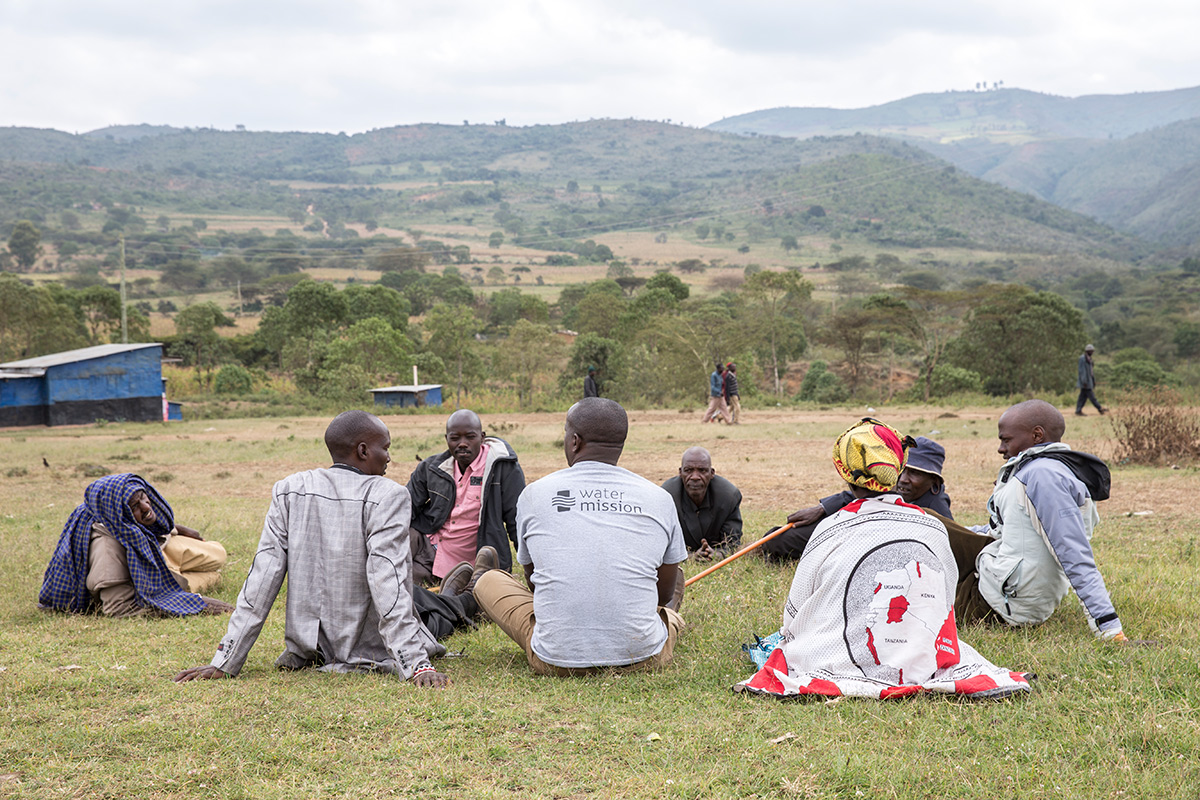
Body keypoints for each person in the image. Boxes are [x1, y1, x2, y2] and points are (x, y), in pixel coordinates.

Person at [173, 411, 482, 688]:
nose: (388, 458)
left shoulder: (289, 488)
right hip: (377, 641)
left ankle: (459, 593)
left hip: (313, 648)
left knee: (424, 601)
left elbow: (262, 578)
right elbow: (387, 581)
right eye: (385, 448)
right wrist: (416, 665)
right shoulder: (388, 494)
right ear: (363, 451)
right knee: (435, 615)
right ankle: (469, 597)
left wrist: (226, 661)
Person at [734, 418, 1029, 699]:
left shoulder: (830, 528)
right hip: (923, 656)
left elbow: (795, 612)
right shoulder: (934, 527)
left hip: (834, 658)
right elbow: (944, 601)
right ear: (898, 469)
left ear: (844, 472)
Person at [472, 398, 686, 675]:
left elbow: (534, 581)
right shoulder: (659, 498)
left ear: (574, 441)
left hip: (554, 660)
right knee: (671, 598)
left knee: (488, 580)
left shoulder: (535, 494)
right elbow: (664, 594)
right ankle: (667, 620)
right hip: (644, 658)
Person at [948, 399, 1128, 641]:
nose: (1001, 448)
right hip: (1007, 585)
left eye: (1006, 440)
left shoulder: (1043, 477)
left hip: (1000, 605)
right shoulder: (1044, 469)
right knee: (926, 522)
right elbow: (1004, 530)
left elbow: (1074, 554)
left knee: (920, 523)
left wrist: (1109, 628)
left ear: (1036, 435)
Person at [38, 473, 232, 618]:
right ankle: (181, 575)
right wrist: (196, 604)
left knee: (219, 554)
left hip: (157, 552)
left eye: (143, 497)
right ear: (119, 513)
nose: (146, 506)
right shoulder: (107, 551)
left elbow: (142, 525)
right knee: (213, 577)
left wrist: (175, 528)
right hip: (154, 578)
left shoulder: (117, 520)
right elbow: (117, 608)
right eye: (135, 506)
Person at [762, 434, 953, 562]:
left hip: (867, 545)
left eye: (915, 474)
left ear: (934, 481)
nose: (903, 479)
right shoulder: (890, 481)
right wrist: (822, 509)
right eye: (902, 470)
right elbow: (866, 492)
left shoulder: (937, 512)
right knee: (779, 539)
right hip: (855, 527)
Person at [407, 409, 525, 586]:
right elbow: (405, 507)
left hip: (477, 563)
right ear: (446, 439)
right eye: (455, 438)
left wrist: (531, 567)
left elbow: (517, 520)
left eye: (470, 437)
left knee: (475, 593)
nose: (462, 444)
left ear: (482, 437)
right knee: (401, 578)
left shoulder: (503, 469)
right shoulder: (431, 468)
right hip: (431, 553)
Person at [660, 446, 743, 562]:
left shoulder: (729, 496)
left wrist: (719, 554)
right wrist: (689, 556)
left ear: (712, 473)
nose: (695, 477)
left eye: (702, 470)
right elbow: (660, 542)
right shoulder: (666, 496)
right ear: (680, 472)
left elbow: (732, 542)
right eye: (688, 470)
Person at [1076, 344, 1105, 416]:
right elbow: (1082, 371)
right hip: (1085, 382)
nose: (1092, 352)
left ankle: (1078, 410)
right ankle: (1099, 408)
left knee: (1083, 397)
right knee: (1091, 397)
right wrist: (1084, 381)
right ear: (1087, 351)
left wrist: (1093, 381)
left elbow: (1091, 372)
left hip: (1089, 381)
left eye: (1092, 351)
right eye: (1090, 351)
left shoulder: (1089, 359)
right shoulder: (1082, 359)